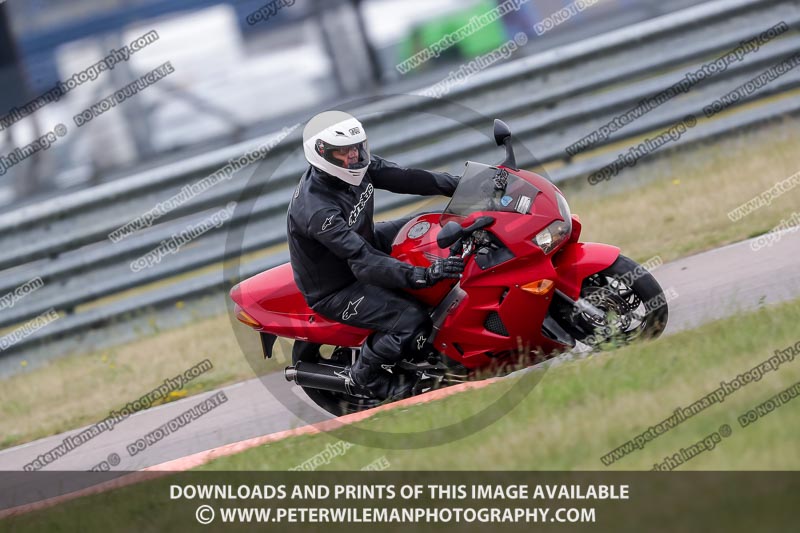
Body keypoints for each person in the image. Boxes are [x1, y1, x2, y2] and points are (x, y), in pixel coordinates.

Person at [287, 110, 464, 400]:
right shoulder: (318, 211)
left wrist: (458, 184)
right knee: (410, 319)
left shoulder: (354, 168)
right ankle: (366, 378)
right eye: (345, 152)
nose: (354, 156)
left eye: (358, 147)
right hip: (338, 286)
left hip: (366, 239)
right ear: (322, 154)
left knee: (427, 225)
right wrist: (423, 275)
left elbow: (405, 178)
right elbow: (364, 263)